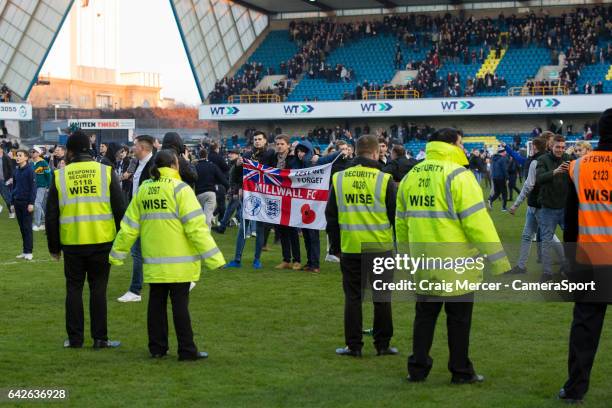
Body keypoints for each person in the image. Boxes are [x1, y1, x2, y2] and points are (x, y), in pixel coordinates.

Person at [396, 128, 510, 384]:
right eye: (460, 143)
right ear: (450, 145)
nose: (462, 148)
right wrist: (499, 259)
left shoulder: (411, 175)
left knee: (424, 318)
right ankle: (460, 371)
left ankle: (417, 368)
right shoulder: (460, 175)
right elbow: (477, 222)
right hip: (456, 263)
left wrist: (405, 256)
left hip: (423, 262)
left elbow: (401, 222)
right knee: (458, 321)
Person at [109, 149, 225, 360]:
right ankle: (187, 350)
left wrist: (117, 255)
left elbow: (129, 227)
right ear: (175, 165)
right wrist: (215, 258)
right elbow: (196, 228)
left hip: (154, 261)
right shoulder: (181, 189)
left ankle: (157, 348)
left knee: (156, 304)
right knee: (180, 307)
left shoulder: (144, 189)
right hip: (180, 262)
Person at [46, 131, 126, 348]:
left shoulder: (60, 176)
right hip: (102, 240)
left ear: (70, 151)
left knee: (73, 289)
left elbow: (51, 215)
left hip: (72, 242)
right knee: (98, 290)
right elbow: (120, 209)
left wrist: (54, 247)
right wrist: (122, 242)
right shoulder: (106, 172)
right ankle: (100, 338)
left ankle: (75, 338)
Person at [326, 134, 398, 357]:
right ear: (376, 153)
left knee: (353, 298)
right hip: (380, 248)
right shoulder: (385, 179)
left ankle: (354, 346)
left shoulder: (339, 178)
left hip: (351, 247)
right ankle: (383, 345)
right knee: (382, 298)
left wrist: (335, 247)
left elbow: (331, 216)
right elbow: (395, 216)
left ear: (356, 152)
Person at [558, 108, 612, 404]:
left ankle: (575, 389)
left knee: (585, 328)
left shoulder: (579, 166)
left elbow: (570, 217)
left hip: (590, 258)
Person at [225, 131, 275, 270]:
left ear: (265, 141)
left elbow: (276, 172)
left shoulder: (270, 154)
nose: (257, 141)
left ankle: (257, 260)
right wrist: (237, 166)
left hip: (264, 195)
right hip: (247, 196)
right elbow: (235, 176)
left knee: (259, 229)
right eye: (255, 139)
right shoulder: (246, 156)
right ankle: (237, 259)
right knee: (243, 228)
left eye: (260, 139)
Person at [117, 135, 155, 303]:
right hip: (138, 213)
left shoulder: (154, 165)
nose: (132, 148)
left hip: (148, 216)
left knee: (138, 251)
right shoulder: (139, 164)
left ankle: (135, 290)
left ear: (143, 148)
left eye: (135, 146)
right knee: (143, 252)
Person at [508, 136, 549, 275]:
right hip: (534, 204)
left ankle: (564, 263)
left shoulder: (536, 162)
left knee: (548, 237)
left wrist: (516, 204)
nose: (531, 148)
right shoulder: (541, 160)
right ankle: (521, 266)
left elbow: (528, 185)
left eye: (532, 146)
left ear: (536, 147)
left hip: (538, 205)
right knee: (527, 235)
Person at [536, 134, 571, 282]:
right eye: (558, 147)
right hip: (548, 208)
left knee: (571, 240)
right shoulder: (542, 159)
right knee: (546, 241)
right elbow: (539, 179)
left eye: (563, 147)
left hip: (566, 207)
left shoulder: (569, 158)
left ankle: (568, 270)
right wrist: (555, 171)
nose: (560, 150)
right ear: (551, 146)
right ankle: (547, 273)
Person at [194, 148, 228, 228]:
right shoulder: (212, 166)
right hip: (210, 193)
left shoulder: (195, 167)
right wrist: (228, 187)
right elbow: (222, 178)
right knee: (208, 216)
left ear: (198, 156)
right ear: (206, 156)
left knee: (201, 216)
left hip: (198, 193)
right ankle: (206, 235)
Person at [11, 149, 36, 260]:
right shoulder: (16, 171)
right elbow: (14, 187)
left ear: (26, 158)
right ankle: (25, 251)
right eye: (17, 155)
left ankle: (29, 252)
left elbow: (33, 188)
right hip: (17, 202)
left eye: (20, 155)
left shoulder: (30, 171)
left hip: (26, 203)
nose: (18, 157)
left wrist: (31, 203)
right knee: (22, 228)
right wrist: (12, 202)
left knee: (27, 228)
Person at [212, 149, 241, 233]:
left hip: (237, 190)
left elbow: (239, 178)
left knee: (230, 208)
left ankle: (222, 227)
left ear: (237, 155)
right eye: (229, 154)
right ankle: (226, 225)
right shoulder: (232, 163)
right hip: (234, 189)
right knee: (234, 208)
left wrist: (236, 191)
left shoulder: (238, 164)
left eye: (232, 154)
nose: (230, 155)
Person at [31, 147, 51, 231]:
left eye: (34, 152)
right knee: (38, 205)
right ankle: (44, 222)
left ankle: (37, 224)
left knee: (37, 204)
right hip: (33, 187)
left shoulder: (43, 163)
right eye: (32, 151)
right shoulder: (31, 163)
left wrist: (49, 186)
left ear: (38, 153)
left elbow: (48, 175)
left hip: (41, 186)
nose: (32, 153)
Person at [487, 147, 509, 211]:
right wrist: (507, 178)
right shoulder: (502, 159)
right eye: (504, 151)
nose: (505, 153)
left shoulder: (493, 158)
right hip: (501, 177)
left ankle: (490, 200)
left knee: (497, 192)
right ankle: (504, 208)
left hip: (494, 177)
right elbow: (504, 169)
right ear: (502, 152)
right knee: (504, 193)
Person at [0, 144, 15, 217]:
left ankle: (11, 212)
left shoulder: (6, 157)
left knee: (7, 197)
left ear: (1, 149)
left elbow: (11, 168)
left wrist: (11, 178)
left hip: (4, 180)